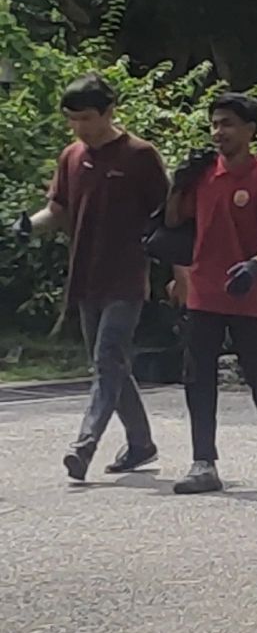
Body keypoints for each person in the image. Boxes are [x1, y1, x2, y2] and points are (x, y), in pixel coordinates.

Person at [14, 73, 168, 482]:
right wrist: (28, 226)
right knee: (111, 364)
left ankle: (84, 445)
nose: (79, 127)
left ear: (109, 112)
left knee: (107, 359)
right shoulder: (71, 157)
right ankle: (141, 443)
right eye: (72, 119)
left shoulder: (140, 155)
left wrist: (180, 271)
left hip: (128, 276)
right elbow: (58, 210)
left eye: (86, 118)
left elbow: (169, 217)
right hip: (86, 275)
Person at [166, 94, 257, 493]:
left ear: (250, 130)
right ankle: (203, 462)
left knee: (256, 371)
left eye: (228, 124)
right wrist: (178, 185)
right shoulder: (204, 176)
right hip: (204, 289)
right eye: (215, 123)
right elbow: (173, 221)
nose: (219, 131)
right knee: (198, 375)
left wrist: (256, 265)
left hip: (246, 292)